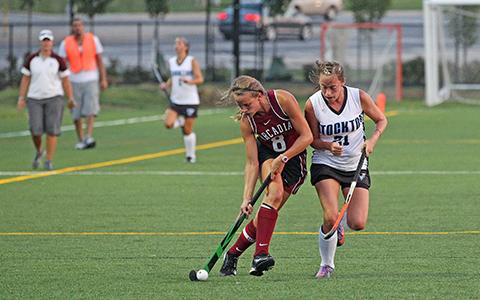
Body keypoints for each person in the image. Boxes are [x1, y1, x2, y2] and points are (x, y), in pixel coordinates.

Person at [218, 75, 313, 277]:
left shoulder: (283, 100)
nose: (243, 110)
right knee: (275, 194)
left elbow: (307, 136)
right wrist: (246, 197)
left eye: (246, 104)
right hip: (268, 155)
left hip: (294, 157)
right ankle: (261, 255)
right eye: (239, 105)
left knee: (267, 212)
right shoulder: (247, 122)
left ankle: (233, 254)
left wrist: (285, 158)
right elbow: (252, 162)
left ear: (259, 95)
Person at [304, 61, 388, 279]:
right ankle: (326, 265)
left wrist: (372, 141)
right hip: (326, 163)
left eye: (332, 87)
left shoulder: (357, 97)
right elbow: (312, 139)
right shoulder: (313, 105)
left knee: (357, 223)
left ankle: (340, 223)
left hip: (356, 164)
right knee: (330, 216)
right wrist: (327, 145)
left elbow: (381, 120)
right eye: (323, 87)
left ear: (342, 82)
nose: (328, 92)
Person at [17, 29, 76, 170]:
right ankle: (39, 151)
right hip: (34, 98)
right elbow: (25, 79)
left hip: (54, 97)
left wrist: (70, 98)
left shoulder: (57, 60)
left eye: (48, 40)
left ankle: (49, 160)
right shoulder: (32, 59)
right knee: (35, 130)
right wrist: (21, 97)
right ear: (40, 42)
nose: (46, 43)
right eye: (44, 40)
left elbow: (65, 80)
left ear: (52, 42)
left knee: (52, 129)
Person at [58, 17, 108, 150]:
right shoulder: (66, 43)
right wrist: (62, 83)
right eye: (75, 26)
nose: (77, 28)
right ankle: (80, 139)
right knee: (76, 112)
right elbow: (62, 64)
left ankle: (88, 136)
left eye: (80, 25)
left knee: (90, 109)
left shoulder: (93, 39)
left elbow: (100, 61)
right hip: (73, 80)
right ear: (72, 28)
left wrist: (103, 79)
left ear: (83, 27)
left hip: (90, 78)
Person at [160, 37, 204, 163]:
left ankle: (190, 156)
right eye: (175, 44)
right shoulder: (172, 61)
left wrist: (190, 81)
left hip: (190, 101)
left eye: (179, 43)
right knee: (168, 124)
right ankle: (179, 120)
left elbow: (200, 79)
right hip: (176, 100)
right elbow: (172, 78)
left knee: (187, 130)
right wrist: (166, 85)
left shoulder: (191, 61)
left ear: (186, 47)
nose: (176, 46)